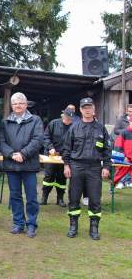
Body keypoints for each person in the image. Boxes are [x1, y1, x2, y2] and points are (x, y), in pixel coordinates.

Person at [62, 97, 111, 240]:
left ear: (94, 109)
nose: (87, 110)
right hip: (76, 166)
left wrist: (106, 166)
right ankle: (73, 226)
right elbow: (66, 149)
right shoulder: (74, 127)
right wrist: (66, 165)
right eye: (84, 107)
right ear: (81, 110)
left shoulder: (101, 129)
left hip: (94, 167)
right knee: (74, 198)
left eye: (90, 107)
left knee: (95, 199)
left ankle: (94, 228)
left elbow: (107, 150)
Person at [0, 92, 44, 238]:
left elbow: (37, 140)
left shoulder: (35, 120)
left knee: (31, 197)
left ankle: (31, 224)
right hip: (12, 165)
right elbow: (1, 142)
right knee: (15, 196)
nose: (18, 105)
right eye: (15, 103)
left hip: (29, 165)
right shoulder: (5, 122)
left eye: (21, 103)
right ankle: (18, 223)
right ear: (12, 106)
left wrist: (23, 154)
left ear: (26, 104)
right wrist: (11, 154)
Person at [41, 108, 75, 207]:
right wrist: (50, 148)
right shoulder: (53, 123)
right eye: (67, 117)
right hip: (51, 155)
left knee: (62, 178)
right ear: (63, 116)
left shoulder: (74, 127)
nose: (69, 120)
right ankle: (44, 198)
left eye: (70, 118)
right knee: (49, 176)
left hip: (65, 157)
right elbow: (46, 137)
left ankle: (60, 199)